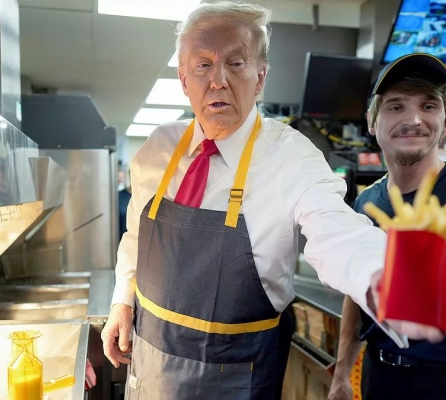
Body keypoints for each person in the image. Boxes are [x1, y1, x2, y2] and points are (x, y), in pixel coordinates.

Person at [101, 3, 443, 399]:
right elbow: (137, 237)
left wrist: (391, 277)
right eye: (202, 65)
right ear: (182, 79)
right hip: (151, 369)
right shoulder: (159, 147)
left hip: (237, 379)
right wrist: (121, 303)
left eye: (236, 63)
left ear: (260, 77)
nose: (218, 80)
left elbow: (337, 232)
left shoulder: (293, 158)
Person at [328, 53, 446, 400]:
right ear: (371, 121)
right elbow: (356, 292)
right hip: (380, 377)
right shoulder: (366, 203)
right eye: (396, 107)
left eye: (428, 105)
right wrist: (342, 372)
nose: (413, 119)